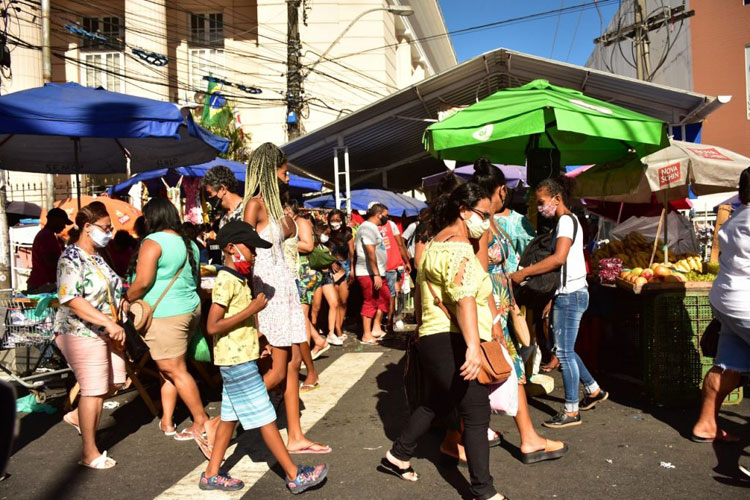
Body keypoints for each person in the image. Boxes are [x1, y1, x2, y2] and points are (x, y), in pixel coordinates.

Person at [382, 183, 506, 500]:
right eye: (483, 215)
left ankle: (397, 455)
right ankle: (484, 491)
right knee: (477, 416)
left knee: (437, 400)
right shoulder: (459, 248)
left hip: (433, 338)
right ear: (464, 212)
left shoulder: (435, 243)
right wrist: (474, 348)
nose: (486, 222)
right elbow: (464, 300)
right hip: (453, 338)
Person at [200, 221, 328, 493]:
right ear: (231, 248)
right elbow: (213, 326)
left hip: (240, 356)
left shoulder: (236, 279)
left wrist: (261, 340)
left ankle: (212, 474)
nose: (255, 255)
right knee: (265, 417)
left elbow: (236, 324)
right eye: (251, 249)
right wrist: (254, 308)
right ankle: (294, 474)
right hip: (235, 360)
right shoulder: (226, 280)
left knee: (229, 417)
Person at [472, 160, 567, 463]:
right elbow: (481, 272)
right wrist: (495, 319)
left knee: (504, 370)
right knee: (510, 369)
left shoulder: (487, 220)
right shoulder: (483, 222)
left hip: (499, 305)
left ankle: (473, 433)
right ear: (501, 190)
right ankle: (528, 439)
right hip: (492, 309)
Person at [243, 142, 330, 454]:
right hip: (268, 292)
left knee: (293, 364)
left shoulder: (277, 207)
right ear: (271, 171)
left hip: (287, 290)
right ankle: (220, 423)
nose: (288, 177)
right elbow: (241, 253)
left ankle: (295, 435)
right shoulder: (254, 205)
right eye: (285, 170)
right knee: (278, 369)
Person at [511, 178, 608, 428]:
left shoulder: (565, 221)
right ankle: (594, 390)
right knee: (567, 349)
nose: (541, 207)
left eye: (542, 203)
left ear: (557, 198)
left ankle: (571, 410)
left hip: (571, 295)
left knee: (563, 353)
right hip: (569, 293)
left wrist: (524, 273)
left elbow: (558, 259)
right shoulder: (568, 221)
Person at [125, 198, 213, 445]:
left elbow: (142, 282)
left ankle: (201, 421)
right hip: (189, 309)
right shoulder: (189, 244)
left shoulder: (153, 242)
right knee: (169, 369)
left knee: (174, 369)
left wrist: (126, 298)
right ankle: (167, 420)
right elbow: (194, 280)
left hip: (165, 314)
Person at [54, 201, 127, 469]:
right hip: (80, 331)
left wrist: (123, 304)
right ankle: (89, 452)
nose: (109, 232)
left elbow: (111, 288)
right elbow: (70, 297)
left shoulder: (97, 256)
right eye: (105, 228)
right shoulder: (70, 257)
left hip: (105, 329)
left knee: (116, 381)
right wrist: (107, 323)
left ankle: (77, 416)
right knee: (94, 390)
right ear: (87, 227)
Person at [691, 166, 750, 444]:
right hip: (745, 304)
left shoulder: (737, 216)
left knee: (727, 366)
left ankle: (706, 424)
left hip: (725, 300)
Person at [283, 201, 326, 389]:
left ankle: (306, 364)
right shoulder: (287, 223)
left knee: (300, 318)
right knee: (299, 315)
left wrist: (285, 241)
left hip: (305, 273)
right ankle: (318, 340)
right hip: (293, 272)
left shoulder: (301, 222)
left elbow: (308, 246)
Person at [354, 203, 390, 344]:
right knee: (371, 301)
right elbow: (370, 252)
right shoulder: (367, 228)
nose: (387, 218)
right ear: (379, 214)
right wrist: (375, 274)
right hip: (368, 273)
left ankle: (376, 327)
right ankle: (366, 334)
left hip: (378, 272)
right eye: (386, 215)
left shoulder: (374, 228)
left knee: (385, 298)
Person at [378, 208, 412, 334]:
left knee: (384, 296)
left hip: (383, 267)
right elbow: (400, 244)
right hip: (390, 266)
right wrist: (406, 261)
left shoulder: (368, 226)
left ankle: (387, 322)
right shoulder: (390, 225)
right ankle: (389, 323)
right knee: (391, 296)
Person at [27, 207, 73, 293]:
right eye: (63, 223)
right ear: (55, 220)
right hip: (43, 284)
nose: (64, 227)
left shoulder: (48, 235)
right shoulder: (47, 237)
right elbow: (51, 262)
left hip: (42, 283)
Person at [327, 209, 355, 341]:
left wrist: (352, 270)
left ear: (342, 221)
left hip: (345, 266)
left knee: (344, 300)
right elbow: (323, 250)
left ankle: (340, 325)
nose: (335, 223)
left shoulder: (347, 234)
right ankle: (337, 329)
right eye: (332, 220)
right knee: (335, 301)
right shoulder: (327, 234)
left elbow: (352, 253)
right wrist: (330, 261)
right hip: (332, 267)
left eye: (337, 220)